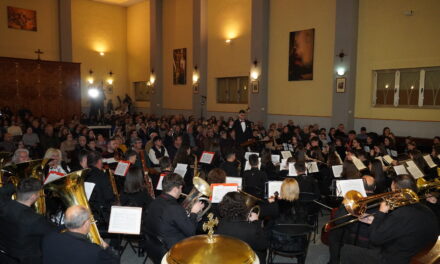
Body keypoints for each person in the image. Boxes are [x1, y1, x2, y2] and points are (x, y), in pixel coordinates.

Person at [340, 174, 439, 264]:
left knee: (346, 250)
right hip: (417, 249)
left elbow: (375, 239)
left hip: (397, 259)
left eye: (392, 190)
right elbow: (400, 226)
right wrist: (373, 219)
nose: (391, 194)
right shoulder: (426, 208)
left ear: (398, 191)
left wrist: (381, 212)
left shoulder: (400, 214)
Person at [0, 178, 57, 264]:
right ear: (33, 196)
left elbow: (3, 191)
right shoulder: (35, 220)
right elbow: (55, 231)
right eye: (39, 193)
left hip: (3, 256)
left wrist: (16, 185)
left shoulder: (3, 204)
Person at [144, 173, 204, 250]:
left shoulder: (155, 201)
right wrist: (194, 213)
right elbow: (191, 232)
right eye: (181, 188)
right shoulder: (175, 208)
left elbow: (171, 217)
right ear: (175, 189)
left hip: (154, 244)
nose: (181, 191)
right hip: (171, 248)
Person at [42, 205, 119, 264]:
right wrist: (107, 248)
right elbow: (114, 261)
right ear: (86, 224)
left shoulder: (48, 237)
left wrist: (69, 222)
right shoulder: (94, 251)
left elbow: (57, 228)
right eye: (90, 219)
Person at [216, 191, 269, 264]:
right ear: (243, 206)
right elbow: (263, 245)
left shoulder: (221, 223)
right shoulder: (251, 228)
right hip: (245, 259)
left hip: (227, 257)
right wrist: (256, 222)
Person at [85, 151, 115, 225]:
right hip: (101, 215)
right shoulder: (101, 175)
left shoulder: (84, 174)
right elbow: (108, 196)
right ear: (99, 161)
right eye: (101, 161)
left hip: (87, 212)